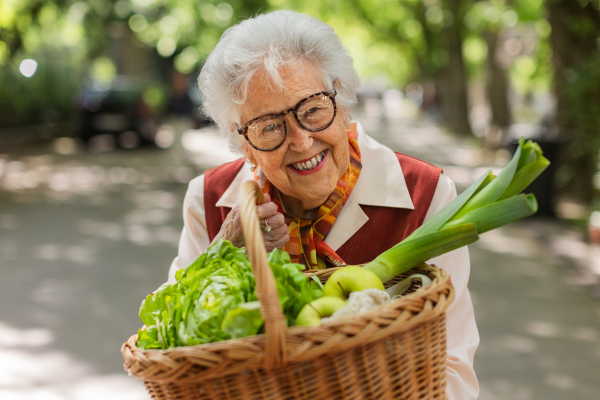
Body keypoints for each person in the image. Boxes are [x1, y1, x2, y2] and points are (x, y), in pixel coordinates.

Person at [168, 11, 479, 400]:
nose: (301, 141)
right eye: (269, 126)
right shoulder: (209, 199)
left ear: (342, 100)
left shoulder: (425, 195)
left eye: (312, 109)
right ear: (243, 142)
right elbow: (173, 355)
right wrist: (222, 255)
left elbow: (453, 373)